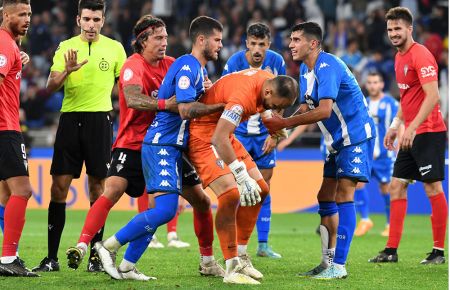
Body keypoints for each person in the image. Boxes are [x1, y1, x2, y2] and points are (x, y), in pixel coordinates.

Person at [94, 16, 226, 281]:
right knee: (165, 210)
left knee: (201, 201)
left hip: (175, 146)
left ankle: (135, 265)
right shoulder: (188, 65)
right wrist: (221, 107)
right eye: (217, 40)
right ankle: (107, 247)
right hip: (162, 144)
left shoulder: (196, 69)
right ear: (202, 40)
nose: (220, 46)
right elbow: (186, 109)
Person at [263, 22, 376, 279]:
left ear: (313, 44)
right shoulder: (305, 69)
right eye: (291, 39)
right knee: (324, 196)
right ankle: (327, 262)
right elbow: (306, 106)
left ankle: (339, 265)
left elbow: (324, 111)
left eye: (296, 40)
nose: (291, 44)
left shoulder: (328, 66)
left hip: (355, 136)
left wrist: (284, 123)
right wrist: (284, 129)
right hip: (335, 142)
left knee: (344, 194)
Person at [32, 0, 127, 272]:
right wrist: (66, 72)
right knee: (58, 187)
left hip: (100, 120)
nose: (91, 25)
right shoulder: (65, 48)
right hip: (70, 119)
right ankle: (51, 258)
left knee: (98, 188)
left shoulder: (115, 48)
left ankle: (95, 258)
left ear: (103, 20)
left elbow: (125, 87)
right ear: (78, 20)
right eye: (87, 19)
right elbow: (49, 87)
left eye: (96, 20)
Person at [189, 69, 298, 285]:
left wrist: (272, 124)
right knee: (230, 195)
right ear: (268, 91)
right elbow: (219, 139)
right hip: (205, 136)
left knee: (261, 190)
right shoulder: (242, 98)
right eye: (276, 106)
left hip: (224, 134)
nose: (276, 110)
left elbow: (263, 109)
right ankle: (231, 267)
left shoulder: (266, 79)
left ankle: (241, 255)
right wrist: (240, 174)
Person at [369, 7, 447, 264]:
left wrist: (411, 128)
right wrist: (395, 124)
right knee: (396, 186)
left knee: (432, 187)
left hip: (429, 132)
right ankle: (391, 250)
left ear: (409, 29)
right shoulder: (399, 56)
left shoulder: (421, 55)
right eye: (390, 29)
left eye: (398, 29)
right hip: (409, 133)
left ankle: (438, 251)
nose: (393, 33)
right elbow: (407, 96)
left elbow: (433, 95)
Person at [222, 22, 285, 259]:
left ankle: (263, 244)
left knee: (263, 189)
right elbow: (225, 95)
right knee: (237, 190)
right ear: (246, 43)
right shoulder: (235, 63)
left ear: (269, 44)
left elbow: (282, 98)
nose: (257, 49)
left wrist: (274, 134)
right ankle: (235, 245)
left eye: (262, 44)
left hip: (263, 135)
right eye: (253, 44)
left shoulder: (277, 62)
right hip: (238, 134)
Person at [0, 0, 37, 277]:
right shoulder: (4, 42)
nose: (27, 19)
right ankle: (8, 258)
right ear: (6, 14)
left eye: (29, 14)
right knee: (23, 190)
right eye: (21, 14)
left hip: (8, 127)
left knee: (4, 195)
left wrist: (16, 57)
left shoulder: (11, 45)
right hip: (5, 128)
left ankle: (6, 256)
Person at [353, 71, 398, 237]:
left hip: (385, 156)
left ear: (382, 85)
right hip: (366, 154)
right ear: (366, 85)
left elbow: (399, 125)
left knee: (386, 189)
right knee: (358, 184)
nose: (372, 85)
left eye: (376, 82)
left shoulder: (391, 104)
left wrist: (399, 148)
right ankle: (365, 220)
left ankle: (389, 224)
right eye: (370, 82)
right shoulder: (362, 102)